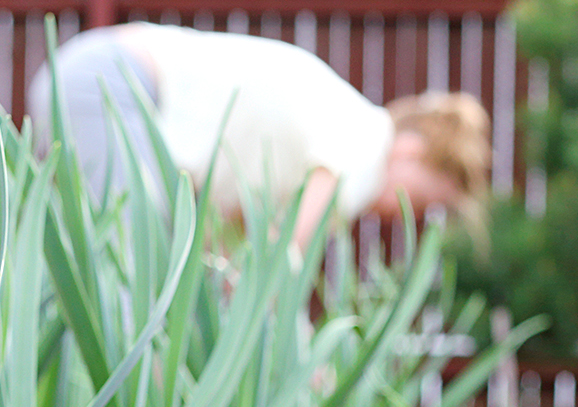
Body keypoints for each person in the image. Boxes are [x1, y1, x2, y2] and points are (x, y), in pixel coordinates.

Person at [26, 22, 491, 248]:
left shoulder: (343, 119)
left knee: (119, 269)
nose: (410, 215)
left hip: (93, 74)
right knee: (130, 278)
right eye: (427, 201)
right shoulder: (369, 146)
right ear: (412, 152)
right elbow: (276, 260)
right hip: (115, 89)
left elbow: (230, 247)